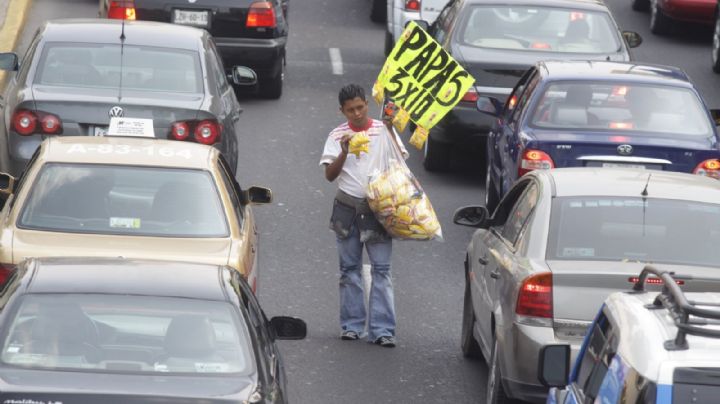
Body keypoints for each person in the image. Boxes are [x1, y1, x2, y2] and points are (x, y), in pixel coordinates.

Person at [319, 84, 408, 348]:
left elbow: (400, 161)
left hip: (378, 209)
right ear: (342, 111)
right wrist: (345, 152)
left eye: (360, 107)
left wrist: (391, 128)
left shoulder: (382, 129)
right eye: (350, 110)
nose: (356, 114)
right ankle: (352, 326)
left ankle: (383, 330)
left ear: (367, 104)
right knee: (349, 270)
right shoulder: (337, 136)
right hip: (346, 208)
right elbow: (330, 175)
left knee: (382, 269)